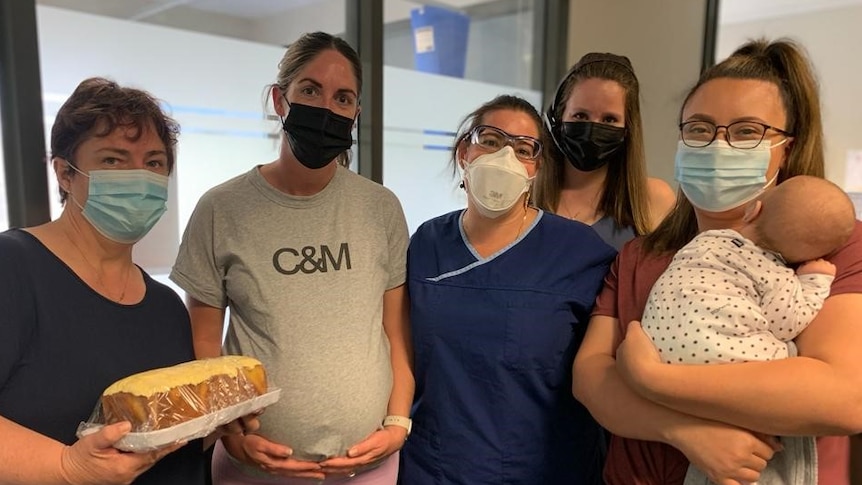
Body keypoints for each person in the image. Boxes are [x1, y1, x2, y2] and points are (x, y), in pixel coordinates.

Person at [571, 38, 862, 485]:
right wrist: (684, 430)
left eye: (747, 131)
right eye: (700, 129)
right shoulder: (641, 256)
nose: (717, 147)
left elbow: (843, 397)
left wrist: (652, 380)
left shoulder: (834, 248)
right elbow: (591, 378)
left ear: (787, 147)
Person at [170, 31, 413, 484]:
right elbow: (204, 347)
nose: (325, 109)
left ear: (356, 114)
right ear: (279, 100)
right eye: (309, 90)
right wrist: (230, 433)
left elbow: (396, 336)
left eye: (343, 98)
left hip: (369, 467)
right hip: (253, 468)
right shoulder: (221, 209)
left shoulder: (380, 208)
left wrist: (398, 425)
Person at [399, 94, 617, 484]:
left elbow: (610, 369)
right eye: (492, 140)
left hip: (543, 469)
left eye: (523, 149)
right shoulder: (428, 241)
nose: (505, 158)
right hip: (433, 468)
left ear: (536, 168)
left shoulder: (580, 253)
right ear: (465, 150)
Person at [0, 77, 207, 484]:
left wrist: (220, 426)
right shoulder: (13, 269)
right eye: (113, 160)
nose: (139, 177)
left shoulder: (165, 306)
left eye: (153, 163)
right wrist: (66, 467)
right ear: (65, 174)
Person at [641, 175, 856, 484]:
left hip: (663, 345)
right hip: (728, 361)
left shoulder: (706, 241)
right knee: (792, 355)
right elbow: (787, 323)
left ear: (753, 211)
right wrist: (815, 281)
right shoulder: (775, 274)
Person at [537, 52, 675, 249]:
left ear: (628, 129)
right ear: (556, 119)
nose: (593, 128)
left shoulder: (653, 200)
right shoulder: (527, 193)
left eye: (609, 119)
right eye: (580, 115)